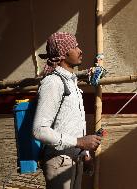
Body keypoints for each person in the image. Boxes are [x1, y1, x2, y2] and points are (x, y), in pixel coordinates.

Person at [33, 32, 101, 189]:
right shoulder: (53, 83)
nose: (80, 50)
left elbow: (71, 124)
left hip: (74, 160)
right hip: (59, 162)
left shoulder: (71, 82)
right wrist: (79, 142)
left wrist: (84, 154)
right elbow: (39, 130)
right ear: (63, 54)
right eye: (74, 47)